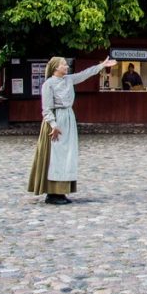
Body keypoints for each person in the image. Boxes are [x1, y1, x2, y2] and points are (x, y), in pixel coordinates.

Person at [29, 56, 116, 205]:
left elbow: (85, 74)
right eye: (64, 64)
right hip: (56, 121)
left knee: (67, 155)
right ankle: (52, 192)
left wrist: (102, 65)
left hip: (68, 118)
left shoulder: (68, 80)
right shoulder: (48, 84)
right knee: (55, 156)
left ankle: (61, 191)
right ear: (56, 67)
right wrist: (53, 125)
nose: (67, 66)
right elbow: (46, 108)